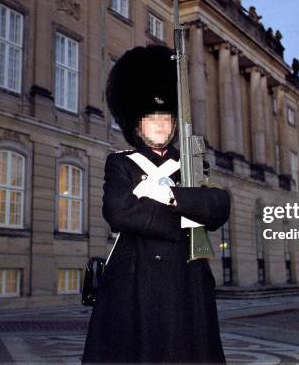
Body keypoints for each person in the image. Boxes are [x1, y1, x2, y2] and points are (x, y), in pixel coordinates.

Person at [82, 45, 230, 364]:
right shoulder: (121, 163)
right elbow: (119, 212)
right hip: (135, 281)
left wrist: (172, 196)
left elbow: (218, 205)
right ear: (137, 125)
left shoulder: (191, 163)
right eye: (152, 119)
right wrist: (184, 220)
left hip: (186, 280)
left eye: (166, 118)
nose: (161, 125)